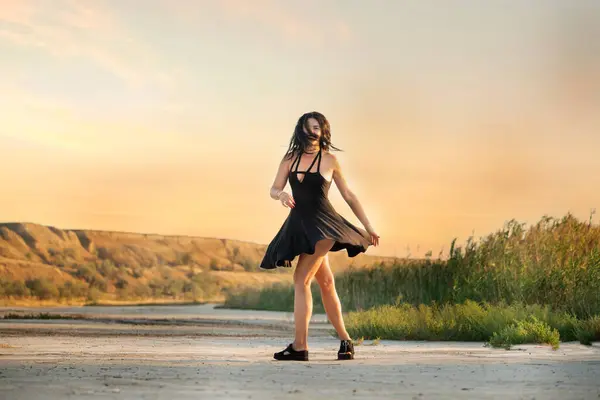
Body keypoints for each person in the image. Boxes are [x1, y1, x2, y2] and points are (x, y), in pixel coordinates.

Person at [260, 111, 380, 361]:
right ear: (301, 129)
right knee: (325, 284)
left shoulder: (330, 160)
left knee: (300, 279)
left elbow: (349, 196)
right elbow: (274, 188)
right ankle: (346, 341)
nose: (314, 132)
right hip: (301, 226)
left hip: (324, 225)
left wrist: (368, 226)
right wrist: (280, 195)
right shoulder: (290, 158)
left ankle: (300, 346)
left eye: (319, 128)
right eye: (310, 127)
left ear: (324, 132)